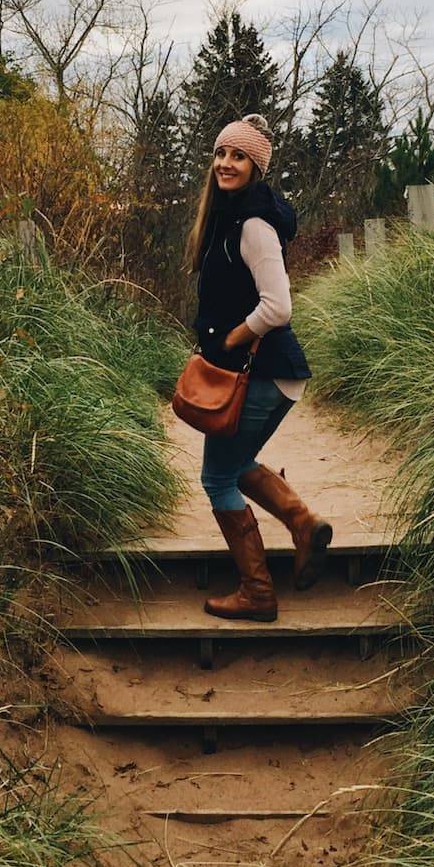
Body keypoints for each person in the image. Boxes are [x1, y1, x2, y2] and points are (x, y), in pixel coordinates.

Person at [183, 113, 333, 622]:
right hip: (269, 373)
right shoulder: (231, 218)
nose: (226, 163)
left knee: (216, 478)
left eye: (239, 156)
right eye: (222, 153)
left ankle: (257, 591)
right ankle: (302, 523)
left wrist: (229, 338)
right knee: (234, 465)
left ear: (256, 167)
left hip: (263, 371)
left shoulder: (254, 225)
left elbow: (278, 308)